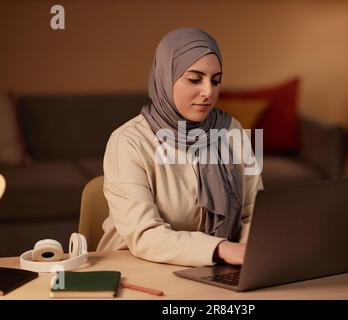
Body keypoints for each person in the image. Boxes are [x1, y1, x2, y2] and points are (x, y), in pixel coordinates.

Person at [97, 28, 263, 267]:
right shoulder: (128, 141)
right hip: (138, 269)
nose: (208, 92)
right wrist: (221, 248)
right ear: (166, 77)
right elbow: (144, 235)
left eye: (215, 80)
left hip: (216, 271)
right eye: (194, 79)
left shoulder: (232, 131)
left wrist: (252, 252)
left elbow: (254, 214)